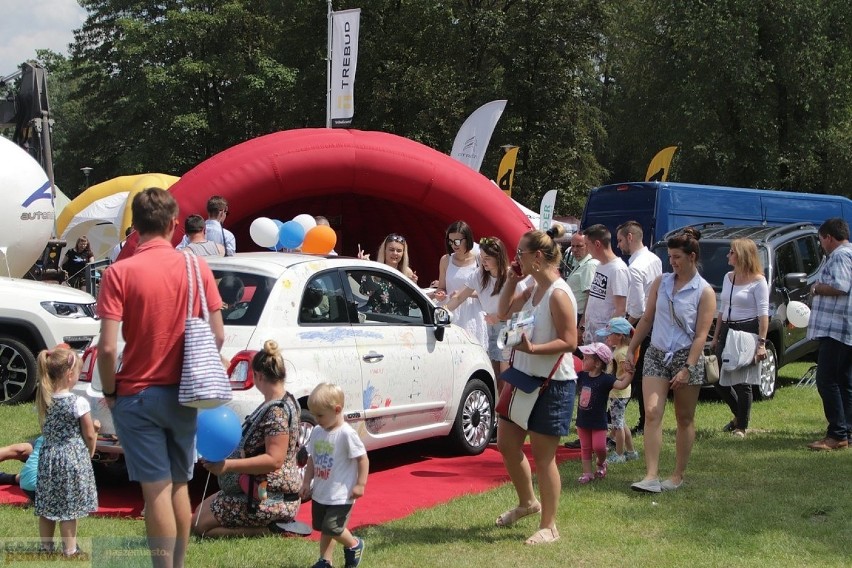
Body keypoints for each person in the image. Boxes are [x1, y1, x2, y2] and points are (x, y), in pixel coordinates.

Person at [97, 187, 224, 568]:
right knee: (180, 484)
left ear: (134, 227)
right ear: (173, 225)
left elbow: (106, 348)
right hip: (183, 394)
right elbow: (217, 334)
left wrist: (109, 392)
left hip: (136, 394)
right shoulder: (195, 267)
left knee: (156, 492)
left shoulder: (118, 272)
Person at [494, 224, 577, 545]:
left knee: (544, 459)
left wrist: (533, 349)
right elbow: (502, 312)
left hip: (552, 384)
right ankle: (527, 502)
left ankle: (549, 526)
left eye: (521, 254)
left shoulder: (558, 293)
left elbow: (571, 342)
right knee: (506, 444)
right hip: (521, 377)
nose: (517, 258)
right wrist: (513, 279)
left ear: (538, 257)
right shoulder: (532, 286)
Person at [625, 227, 716, 493]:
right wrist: (632, 348)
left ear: (692, 256)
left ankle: (677, 475)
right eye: (670, 256)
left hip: (686, 356)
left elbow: (701, 335)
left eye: (677, 256)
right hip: (656, 351)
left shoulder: (704, 291)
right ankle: (651, 475)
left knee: (684, 418)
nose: (672, 262)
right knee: (652, 412)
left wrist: (688, 367)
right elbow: (647, 318)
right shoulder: (661, 282)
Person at [192, 340, 303, 537]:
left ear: (259, 375)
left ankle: (269, 530)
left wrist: (227, 466)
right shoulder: (284, 401)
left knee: (201, 528)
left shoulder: (276, 412)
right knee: (197, 517)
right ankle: (268, 526)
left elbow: (274, 460)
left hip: (269, 498)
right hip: (253, 491)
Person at [34, 344, 98, 558]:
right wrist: (92, 449)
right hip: (71, 459)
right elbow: (89, 433)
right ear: (70, 375)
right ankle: (70, 550)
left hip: (49, 458)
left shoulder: (44, 399)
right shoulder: (78, 402)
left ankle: (46, 548)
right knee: (69, 507)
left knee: (47, 506)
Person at [300, 383, 369, 568]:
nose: (316, 419)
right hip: (321, 492)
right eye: (314, 414)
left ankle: (354, 544)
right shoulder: (317, 432)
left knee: (333, 527)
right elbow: (312, 460)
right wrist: (307, 482)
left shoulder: (346, 434)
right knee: (324, 528)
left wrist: (360, 484)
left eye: (320, 415)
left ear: (337, 409)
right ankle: (325, 561)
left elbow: (363, 459)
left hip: (341, 495)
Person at [709, 238, 769, 438]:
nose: (728, 255)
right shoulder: (728, 277)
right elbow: (722, 310)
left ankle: (741, 426)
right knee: (716, 376)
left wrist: (761, 344)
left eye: (732, 252)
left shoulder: (758, 281)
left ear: (742, 255)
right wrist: (716, 336)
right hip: (727, 329)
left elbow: (763, 316)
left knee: (742, 381)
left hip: (747, 331)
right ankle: (738, 415)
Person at [444, 236, 522, 384]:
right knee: (494, 370)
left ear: (498, 257)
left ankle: (504, 405)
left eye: (487, 258)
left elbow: (519, 305)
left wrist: (498, 317)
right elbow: (460, 297)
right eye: (481, 257)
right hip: (491, 326)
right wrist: (443, 311)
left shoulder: (510, 275)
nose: (483, 261)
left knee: (505, 371)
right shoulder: (479, 275)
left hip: (510, 326)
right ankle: (498, 404)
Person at [806, 218, 852, 451]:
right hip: (843, 329)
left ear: (829, 238)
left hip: (836, 330)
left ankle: (837, 434)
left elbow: (841, 286)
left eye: (821, 240)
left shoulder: (840, 256)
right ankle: (847, 430)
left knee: (826, 380)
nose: (821, 244)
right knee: (843, 381)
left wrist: (816, 288)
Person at [616, 220, 662, 436]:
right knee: (645, 374)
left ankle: (624, 421)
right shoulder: (655, 259)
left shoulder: (634, 267)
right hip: (656, 323)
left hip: (641, 326)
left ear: (630, 238)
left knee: (630, 371)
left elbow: (637, 307)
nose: (619, 246)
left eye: (620, 240)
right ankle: (644, 420)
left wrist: (626, 328)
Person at [575, 342, 632, 483]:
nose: (583, 360)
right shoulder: (581, 375)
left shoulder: (606, 379)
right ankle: (587, 473)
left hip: (598, 421)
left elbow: (622, 384)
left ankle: (601, 463)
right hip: (582, 420)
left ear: (598, 363)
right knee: (586, 447)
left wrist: (630, 373)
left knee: (599, 447)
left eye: (586, 358)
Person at [431, 221, 488, 349]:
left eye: (457, 241)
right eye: (450, 241)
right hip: (449, 309)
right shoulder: (445, 260)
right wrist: (440, 293)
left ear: (467, 239)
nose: (453, 245)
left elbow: (487, 290)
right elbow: (442, 286)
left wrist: (466, 294)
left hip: (471, 313)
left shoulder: (479, 260)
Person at [597, 317, 640, 463]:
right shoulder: (620, 350)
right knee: (621, 423)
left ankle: (619, 454)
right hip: (618, 393)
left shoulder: (622, 353)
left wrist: (613, 380)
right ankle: (631, 451)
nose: (607, 337)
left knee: (617, 425)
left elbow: (627, 373)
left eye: (609, 334)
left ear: (620, 335)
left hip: (619, 394)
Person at [582, 224, 628, 343]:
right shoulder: (599, 265)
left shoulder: (618, 269)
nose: (586, 249)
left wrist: (609, 336)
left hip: (605, 338)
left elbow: (620, 310)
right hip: (591, 334)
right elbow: (594, 296)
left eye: (587, 245)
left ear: (597, 244)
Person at [564, 230, 599, 327]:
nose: (574, 250)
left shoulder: (589, 265)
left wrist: (582, 325)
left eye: (579, 246)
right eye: (572, 246)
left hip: (579, 318)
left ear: (588, 245)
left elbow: (591, 297)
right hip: (573, 316)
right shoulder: (581, 263)